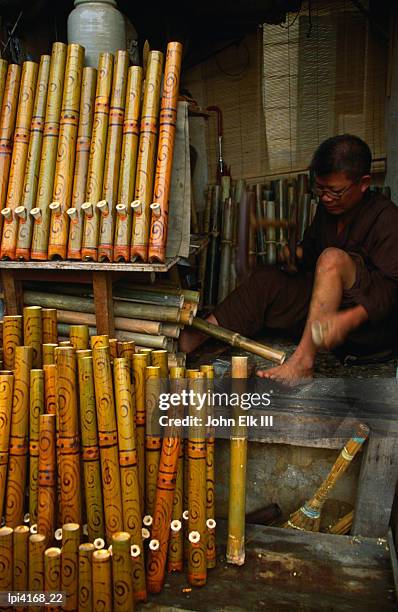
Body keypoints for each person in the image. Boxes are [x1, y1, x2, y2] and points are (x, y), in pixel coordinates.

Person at [180, 134, 398, 381]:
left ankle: (303, 363)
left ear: (363, 183)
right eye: (320, 189)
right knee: (267, 279)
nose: (325, 198)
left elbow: (391, 293)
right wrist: (296, 255)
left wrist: (346, 320)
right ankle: (193, 338)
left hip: (366, 330)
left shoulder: (387, 218)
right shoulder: (329, 211)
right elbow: (312, 256)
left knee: (332, 259)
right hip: (325, 314)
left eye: (335, 191)